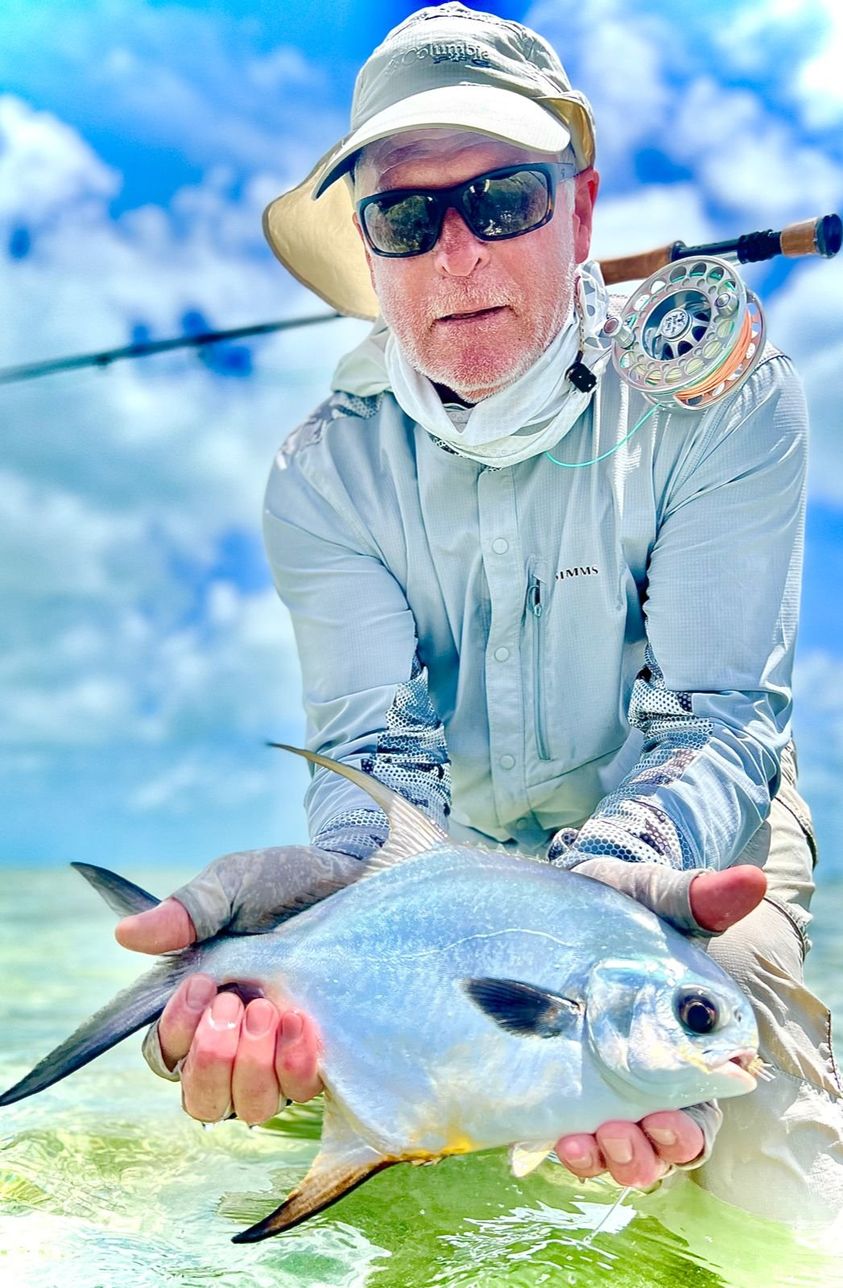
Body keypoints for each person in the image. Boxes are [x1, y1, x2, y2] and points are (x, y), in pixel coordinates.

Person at [116, 4, 843, 1225]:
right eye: (407, 219)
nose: (457, 256)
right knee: (351, 1155)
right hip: (435, 861)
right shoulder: (323, 474)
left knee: (777, 1181)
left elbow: (716, 719)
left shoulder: (727, 399)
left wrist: (600, 897)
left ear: (582, 214)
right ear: (371, 250)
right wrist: (352, 897)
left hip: (695, 843)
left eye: (504, 201)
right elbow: (373, 757)